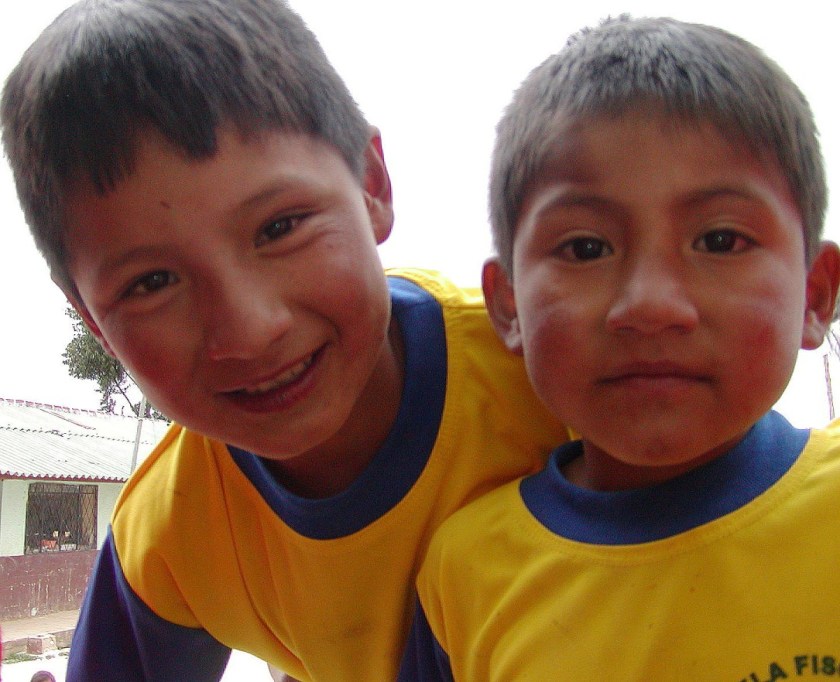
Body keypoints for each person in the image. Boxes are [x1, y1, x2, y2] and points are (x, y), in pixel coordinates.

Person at [0, 1, 567, 680]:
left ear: (372, 186)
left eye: (280, 227)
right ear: (93, 321)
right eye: (152, 283)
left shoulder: (556, 381)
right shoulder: (173, 536)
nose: (249, 330)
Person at [398, 15, 840, 681]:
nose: (651, 305)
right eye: (585, 248)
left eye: (720, 240)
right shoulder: (465, 577)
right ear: (509, 305)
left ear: (814, 294)